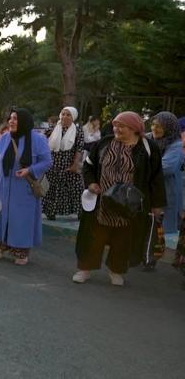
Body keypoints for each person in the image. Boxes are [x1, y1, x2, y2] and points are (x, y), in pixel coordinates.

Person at [73, 111, 165, 285]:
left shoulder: (148, 148)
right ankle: (84, 269)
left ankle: (116, 270)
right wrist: (91, 183)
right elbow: (88, 166)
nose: (116, 129)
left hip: (129, 205)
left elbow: (156, 178)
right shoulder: (104, 143)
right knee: (93, 237)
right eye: (115, 125)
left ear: (135, 129)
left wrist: (157, 204)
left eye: (122, 126)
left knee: (122, 239)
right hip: (102, 202)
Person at [0, 108, 52, 265]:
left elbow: (47, 161)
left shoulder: (37, 140)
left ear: (24, 121)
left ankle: (21, 251)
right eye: (10, 118)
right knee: (2, 217)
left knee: (22, 220)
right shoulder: (3, 139)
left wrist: (30, 169)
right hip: (4, 187)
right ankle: (0, 247)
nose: (11, 121)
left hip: (25, 189)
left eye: (15, 118)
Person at [147, 111, 184, 254]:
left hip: (165, 192)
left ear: (169, 128)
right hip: (147, 190)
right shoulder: (149, 139)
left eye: (160, 126)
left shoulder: (176, 145)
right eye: (153, 124)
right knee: (147, 223)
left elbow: (166, 168)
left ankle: (152, 257)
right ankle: (145, 254)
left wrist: (142, 166)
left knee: (158, 226)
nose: (154, 128)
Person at [42, 107, 84, 220]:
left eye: (68, 115)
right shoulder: (52, 129)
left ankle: (80, 212)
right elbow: (42, 144)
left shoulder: (78, 131)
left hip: (69, 165)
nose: (65, 116)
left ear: (73, 117)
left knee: (75, 188)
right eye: (63, 114)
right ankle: (50, 212)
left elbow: (79, 149)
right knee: (52, 189)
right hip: (53, 165)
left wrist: (75, 165)